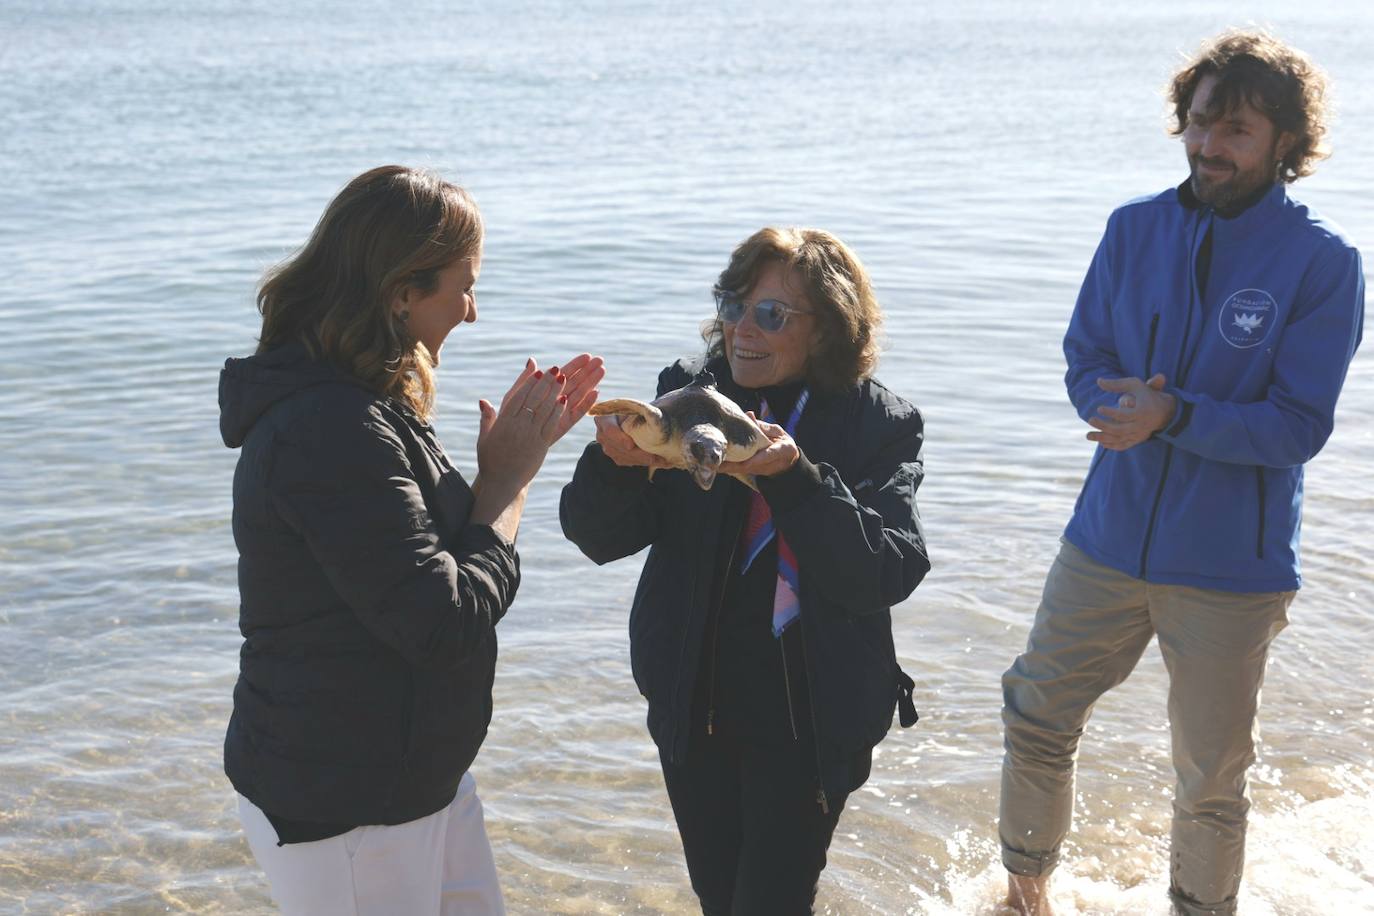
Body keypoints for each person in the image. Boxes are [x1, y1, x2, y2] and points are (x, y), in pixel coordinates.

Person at [997, 30, 1364, 916]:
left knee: (1210, 778)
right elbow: (1085, 352)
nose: (1208, 145)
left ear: (1285, 141)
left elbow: (1299, 427)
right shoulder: (1133, 229)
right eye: (1199, 123)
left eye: (1235, 129)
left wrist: (1177, 415)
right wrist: (1107, 403)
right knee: (1035, 717)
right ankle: (1023, 898)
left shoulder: (1325, 264)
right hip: (1104, 541)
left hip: (1231, 570)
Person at [218, 165, 605, 915]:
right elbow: (441, 620)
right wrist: (509, 485)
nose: (471, 310)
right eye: (462, 285)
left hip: (413, 781)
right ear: (400, 292)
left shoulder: (363, 405)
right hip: (345, 808)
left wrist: (500, 477)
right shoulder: (327, 430)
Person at [560, 227, 929, 914]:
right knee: (718, 898)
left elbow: (887, 569)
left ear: (829, 328)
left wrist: (791, 478)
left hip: (809, 726)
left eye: (772, 315)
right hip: (692, 708)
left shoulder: (879, 425)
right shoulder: (686, 400)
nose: (742, 331)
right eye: (734, 307)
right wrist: (614, 468)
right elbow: (596, 536)